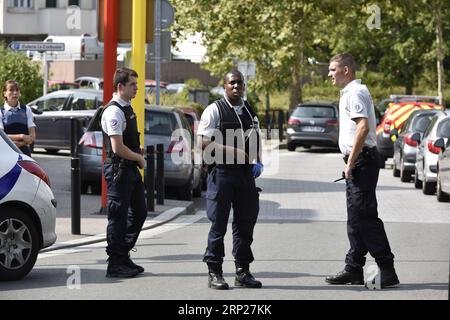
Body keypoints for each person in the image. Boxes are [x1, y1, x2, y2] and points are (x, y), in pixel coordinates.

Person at [326, 53, 399, 288]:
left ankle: (387, 269)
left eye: (333, 69)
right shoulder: (351, 92)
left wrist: (350, 163)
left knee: (365, 217)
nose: (329, 74)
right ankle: (354, 268)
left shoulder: (355, 92)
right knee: (355, 218)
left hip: (361, 162)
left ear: (346, 70)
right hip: (359, 161)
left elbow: (362, 128)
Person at [197, 70, 264, 290]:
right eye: (231, 83)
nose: (236, 86)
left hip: (245, 175)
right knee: (218, 225)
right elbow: (204, 144)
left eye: (239, 83)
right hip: (222, 174)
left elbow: (255, 136)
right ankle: (214, 272)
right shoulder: (214, 110)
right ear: (224, 86)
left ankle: (242, 272)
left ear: (244, 85)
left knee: (245, 225)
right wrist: (235, 152)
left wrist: (258, 160)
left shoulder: (247, 108)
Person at [101, 67, 147, 278]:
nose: (137, 88)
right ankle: (115, 263)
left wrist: (137, 151)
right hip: (119, 170)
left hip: (129, 169)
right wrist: (138, 157)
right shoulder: (114, 111)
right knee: (117, 217)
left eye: (136, 84)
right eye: (132, 85)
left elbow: (126, 142)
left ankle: (122, 255)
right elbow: (117, 147)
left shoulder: (127, 106)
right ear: (120, 87)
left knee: (139, 212)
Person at [0, 80, 36, 156]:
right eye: (11, 90)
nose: (15, 93)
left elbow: (32, 136)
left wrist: (20, 144)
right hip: (5, 153)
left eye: (17, 90)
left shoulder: (27, 109)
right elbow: (1, 137)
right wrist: (21, 136)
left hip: (24, 153)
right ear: (5, 93)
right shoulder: (1, 111)